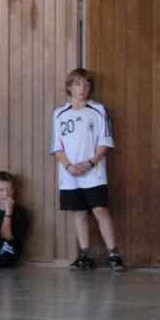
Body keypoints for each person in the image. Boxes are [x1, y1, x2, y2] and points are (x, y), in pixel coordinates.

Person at [52, 67, 126, 272]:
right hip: (69, 174)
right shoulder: (60, 113)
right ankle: (85, 255)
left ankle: (114, 255)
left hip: (94, 172)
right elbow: (56, 146)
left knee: (100, 209)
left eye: (86, 84)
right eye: (77, 84)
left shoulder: (98, 110)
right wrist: (68, 166)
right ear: (69, 87)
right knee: (79, 212)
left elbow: (105, 140)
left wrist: (91, 162)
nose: (82, 88)